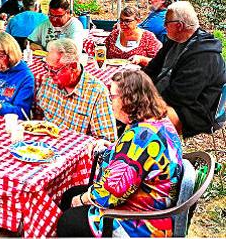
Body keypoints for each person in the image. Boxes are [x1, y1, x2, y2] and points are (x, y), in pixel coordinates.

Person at [57, 70, 183, 237]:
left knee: (68, 219)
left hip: (141, 221)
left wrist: (80, 200)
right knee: (69, 194)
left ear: (129, 99)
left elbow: (110, 193)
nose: (110, 102)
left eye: (113, 97)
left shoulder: (139, 138)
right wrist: (112, 147)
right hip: (153, 203)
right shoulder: (159, 120)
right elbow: (134, 158)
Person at [143, 1, 226, 138]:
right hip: (172, 98)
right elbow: (152, 68)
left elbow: (180, 96)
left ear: (179, 25)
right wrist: (136, 86)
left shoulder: (204, 54)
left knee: (141, 117)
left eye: (166, 22)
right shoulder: (175, 41)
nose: (164, 26)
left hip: (196, 110)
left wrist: (145, 100)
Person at [37, 39, 116, 141]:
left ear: (73, 66)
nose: (49, 74)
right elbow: (37, 115)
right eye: (47, 68)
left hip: (74, 150)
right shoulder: (49, 79)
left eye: (54, 70)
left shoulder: (97, 92)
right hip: (42, 145)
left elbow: (106, 141)